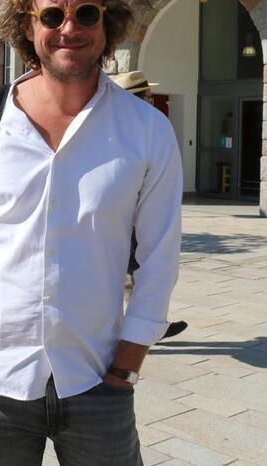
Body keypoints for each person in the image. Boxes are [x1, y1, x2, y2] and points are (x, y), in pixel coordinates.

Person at [0, 0, 183, 465]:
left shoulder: (146, 129)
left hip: (96, 377)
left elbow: (161, 255)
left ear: (107, 23)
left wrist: (128, 363)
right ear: (28, 25)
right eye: (53, 14)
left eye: (86, 13)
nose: (70, 28)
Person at [111, 70, 187, 341]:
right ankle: (139, 329)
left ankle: (146, 324)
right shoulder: (135, 128)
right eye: (147, 96)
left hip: (133, 216)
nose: (151, 100)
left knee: (136, 271)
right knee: (133, 271)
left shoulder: (135, 127)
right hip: (128, 218)